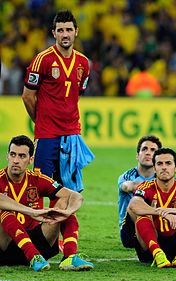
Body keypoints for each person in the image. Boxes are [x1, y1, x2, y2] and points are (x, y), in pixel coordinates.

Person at [21, 9, 94, 193]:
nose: (65, 34)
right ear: (54, 33)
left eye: (68, 30)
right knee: (39, 188)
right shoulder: (42, 60)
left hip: (71, 135)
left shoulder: (84, 63)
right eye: (60, 30)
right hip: (47, 135)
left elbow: (76, 95)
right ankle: (37, 223)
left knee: (69, 190)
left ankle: (65, 223)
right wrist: (41, 121)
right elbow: (27, 95)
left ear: (76, 31)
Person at [0, 135, 94, 271]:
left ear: (31, 159)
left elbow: (76, 196)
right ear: (7, 156)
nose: (16, 160)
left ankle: (69, 256)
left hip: (37, 242)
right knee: (4, 211)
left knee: (64, 203)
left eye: (22, 156)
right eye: (13, 154)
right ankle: (33, 256)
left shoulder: (37, 179)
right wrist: (32, 212)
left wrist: (67, 212)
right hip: (5, 246)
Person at [118, 135, 162, 250]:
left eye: (153, 150)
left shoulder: (163, 177)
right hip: (130, 231)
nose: (148, 153)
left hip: (157, 227)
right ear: (137, 156)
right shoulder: (128, 176)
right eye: (144, 149)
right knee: (135, 205)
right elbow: (128, 186)